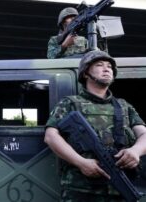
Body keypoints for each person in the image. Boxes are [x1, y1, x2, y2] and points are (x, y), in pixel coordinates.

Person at [44, 50, 146, 201]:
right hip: (81, 189)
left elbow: (144, 134)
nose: (107, 69)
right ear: (85, 73)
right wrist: (82, 163)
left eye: (110, 67)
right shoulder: (70, 103)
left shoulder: (124, 106)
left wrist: (136, 151)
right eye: (99, 65)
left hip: (119, 190)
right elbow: (51, 136)